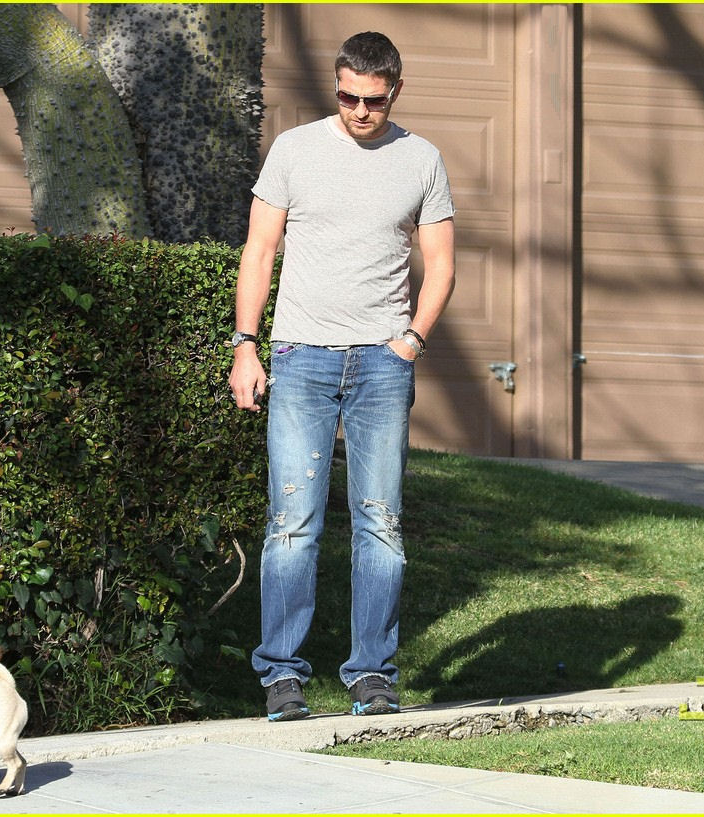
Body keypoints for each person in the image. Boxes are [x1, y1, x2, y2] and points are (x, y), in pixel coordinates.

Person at [228, 31, 456, 722]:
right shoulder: (294, 151)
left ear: (396, 91)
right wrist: (245, 345)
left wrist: (411, 341)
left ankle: (372, 675)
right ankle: (282, 675)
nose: (360, 110)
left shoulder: (421, 159)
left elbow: (442, 264)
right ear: (337, 87)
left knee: (380, 525)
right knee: (292, 522)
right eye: (348, 96)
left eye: (374, 100)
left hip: (381, 366)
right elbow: (259, 250)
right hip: (301, 357)